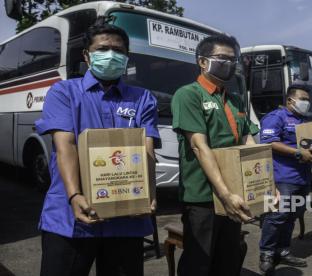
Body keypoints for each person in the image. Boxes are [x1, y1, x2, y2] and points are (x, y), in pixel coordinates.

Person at [35, 22, 159, 276]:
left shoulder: (143, 98)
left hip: (127, 217)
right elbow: (65, 145)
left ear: (127, 58)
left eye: (118, 50)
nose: (111, 55)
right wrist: (74, 195)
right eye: (103, 48)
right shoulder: (64, 92)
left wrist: (149, 193)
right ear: (87, 56)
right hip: (70, 217)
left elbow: (146, 149)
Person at [171, 34, 256, 276]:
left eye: (232, 59)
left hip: (233, 194)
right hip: (203, 197)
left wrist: (264, 184)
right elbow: (199, 146)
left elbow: (248, 140)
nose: (228, 64)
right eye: (222, 58)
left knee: (228, 259)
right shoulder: (189, 94)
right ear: (202, 61)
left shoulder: (236, 100)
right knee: (199, 262)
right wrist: (224, 193)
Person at [258, 83, 312, 275]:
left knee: (293, 215)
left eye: (308, 99)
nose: (306, 102)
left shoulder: (305, 121)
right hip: (282, 176)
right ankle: (266, 254)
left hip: (302, 177)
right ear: (290, 100)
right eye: (303, 99)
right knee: (276, 216)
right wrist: (298, 153)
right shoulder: (277, 117)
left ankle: (283, 250)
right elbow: (269, 142)